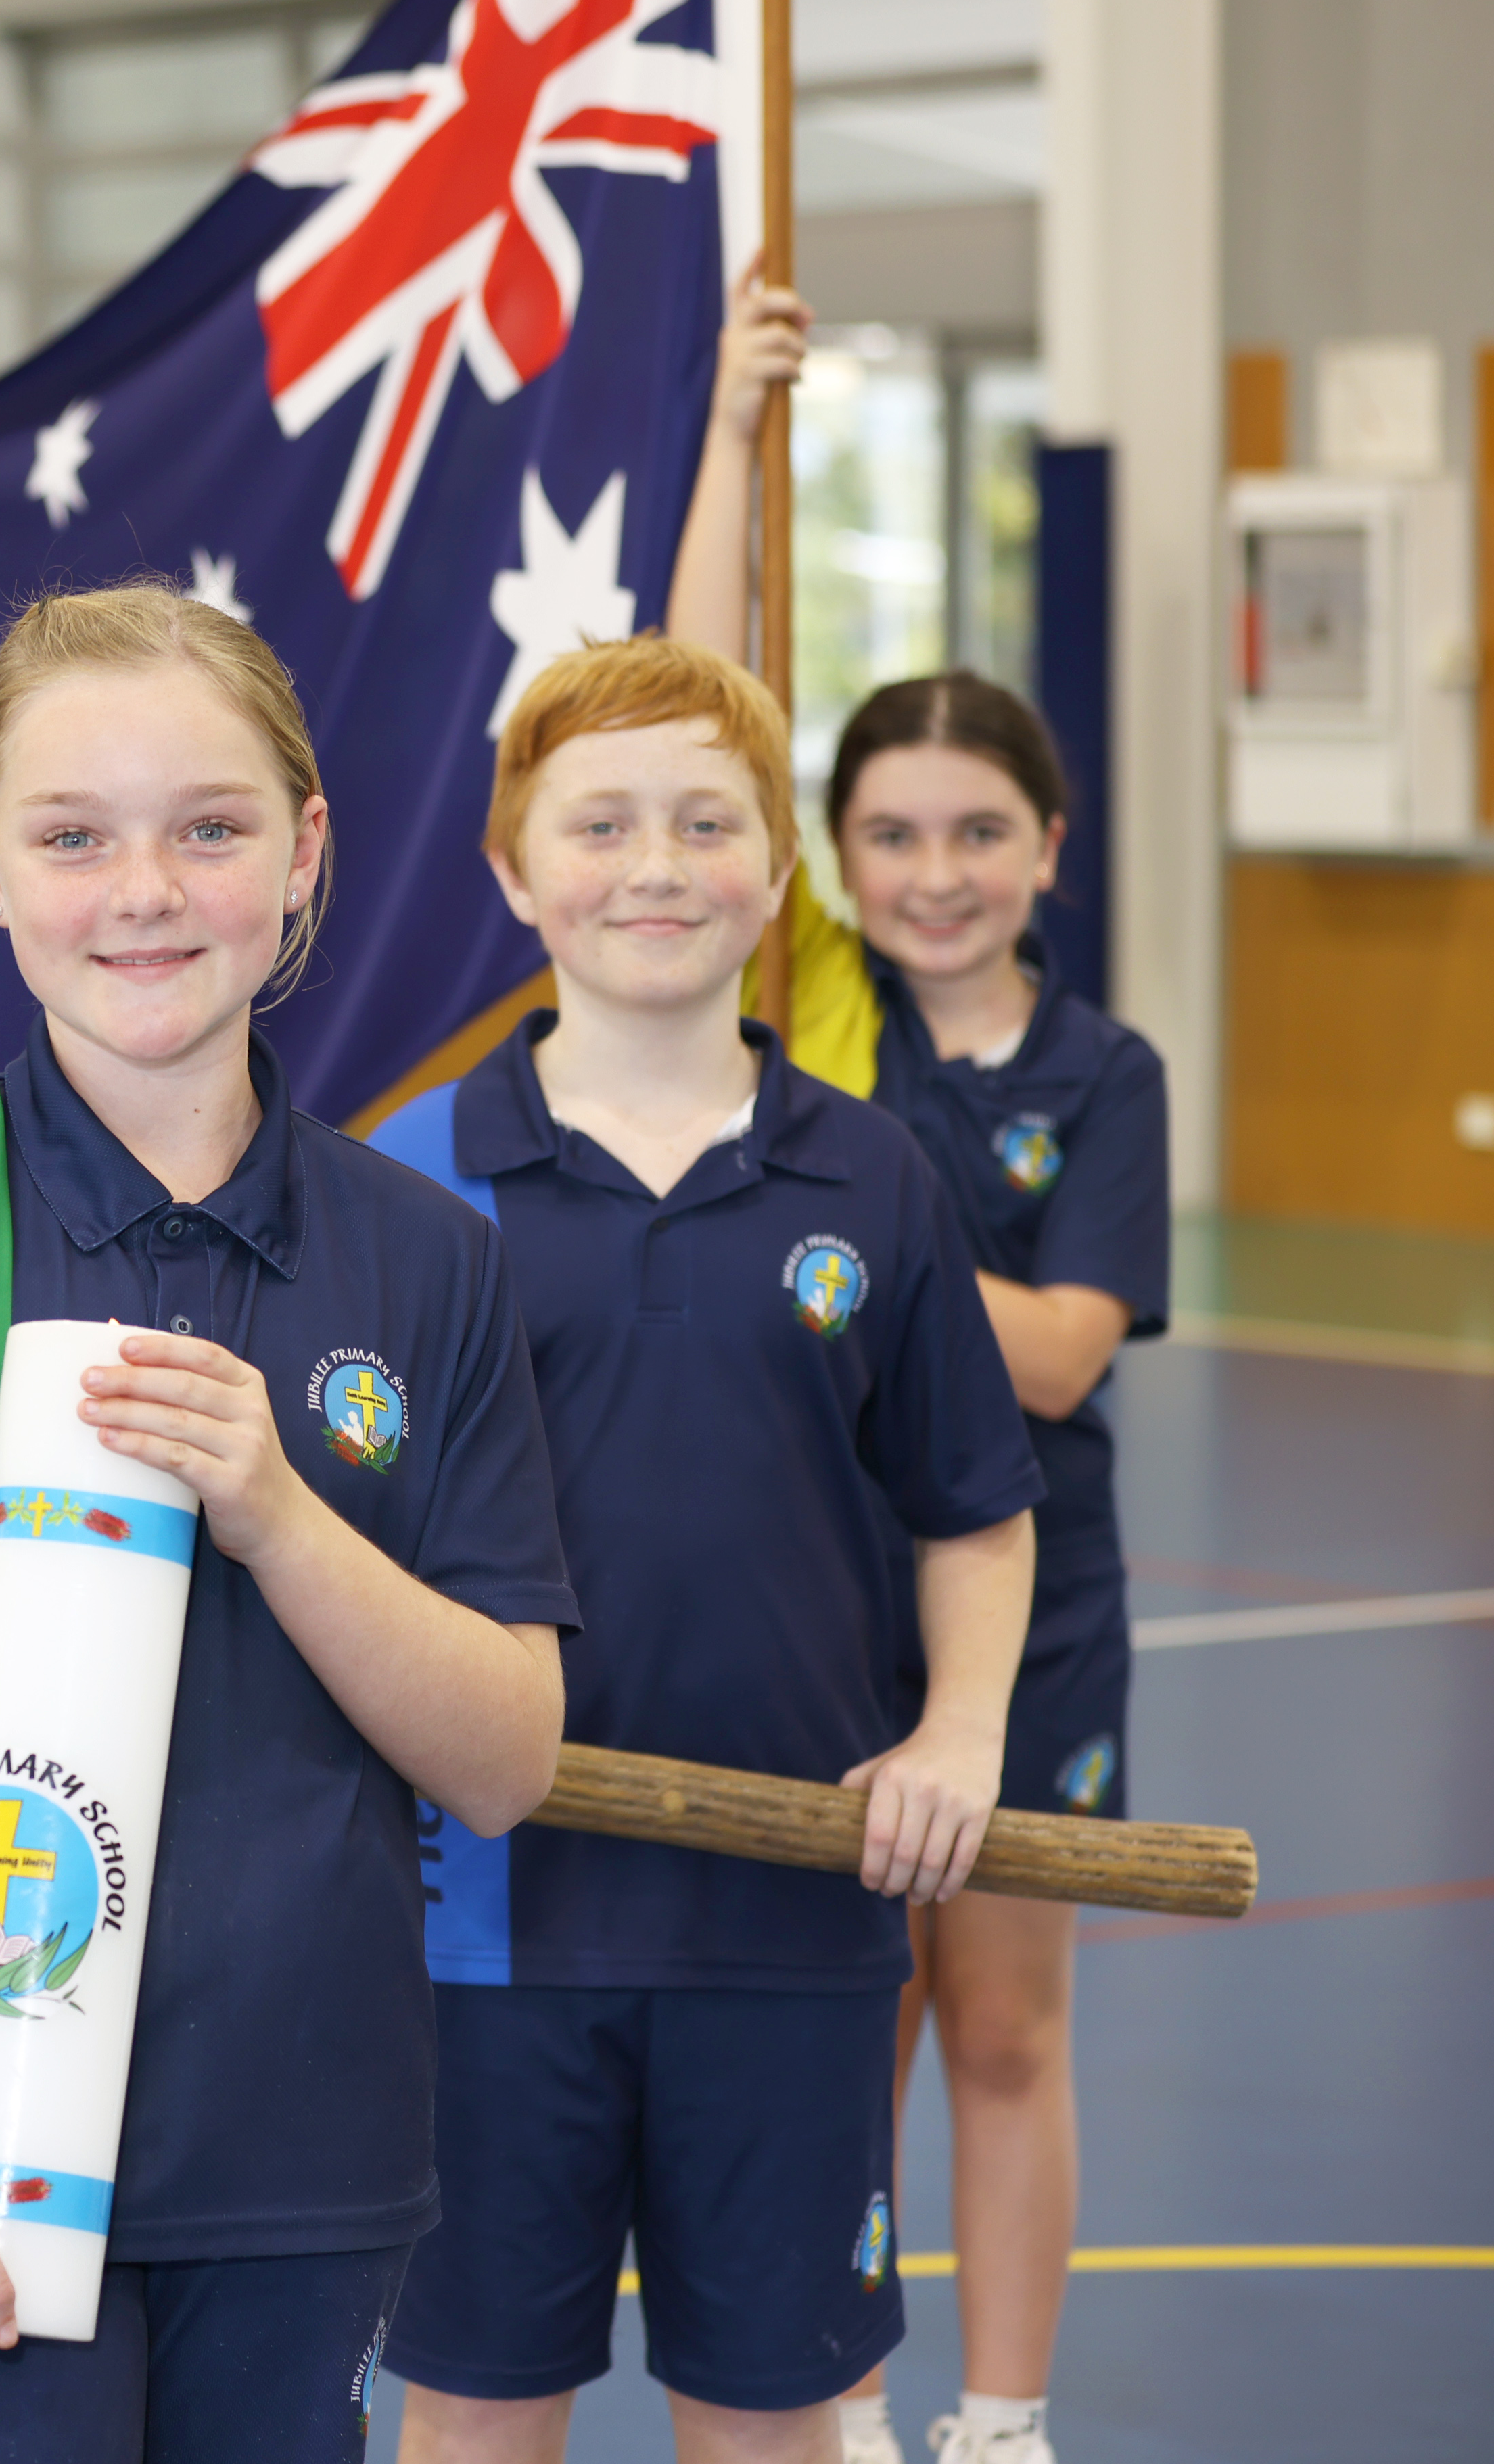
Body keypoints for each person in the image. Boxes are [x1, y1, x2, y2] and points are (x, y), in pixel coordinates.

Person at [0, 579, 577, 2461]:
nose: (144, 892)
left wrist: (283, 1517)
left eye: (210, 831)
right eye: (74, 837)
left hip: (306, 2144)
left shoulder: (428, 1260)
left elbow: (511, 1755)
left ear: (304, 856)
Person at [367, 636, 1044, 2464]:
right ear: (514, 872)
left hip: (798, 1919)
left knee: (776, 2411)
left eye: (704, 821)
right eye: (601, 824)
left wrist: (960, 1734)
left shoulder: (877, 1178)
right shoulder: (412, 1179)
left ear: (774, 874)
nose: (656, 865)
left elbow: (976, 1510)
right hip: (483, 1929)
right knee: (474, 2406)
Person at [672, 279, 1171, 2464]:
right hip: (820, 1612)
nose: (934, 871)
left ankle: (998, 2415)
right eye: (887, 833)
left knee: (995, 2026)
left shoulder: (1102, 1073)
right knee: (828, 2035)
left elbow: (1056, 1355)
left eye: (978, 833)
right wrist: (717, 433)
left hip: (1028, 1621)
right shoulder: (807, 1016)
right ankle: (839, 2393)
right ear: (829, 858)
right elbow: (687, 711)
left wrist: (843, 1245)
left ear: (1044, 851)